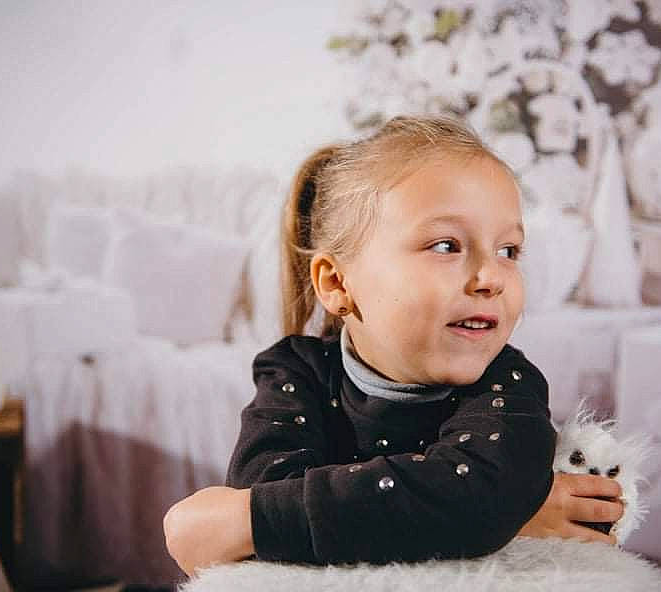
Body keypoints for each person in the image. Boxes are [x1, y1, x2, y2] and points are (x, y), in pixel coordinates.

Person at [163, 115, 624, 575]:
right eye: (446, 246)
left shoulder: (507, 381)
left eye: (508, 251)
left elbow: (485, 492)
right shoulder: (294, 371)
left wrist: (505, 513)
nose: (491, 279)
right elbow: (265, 491)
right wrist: (499, 514)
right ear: (338, 282)